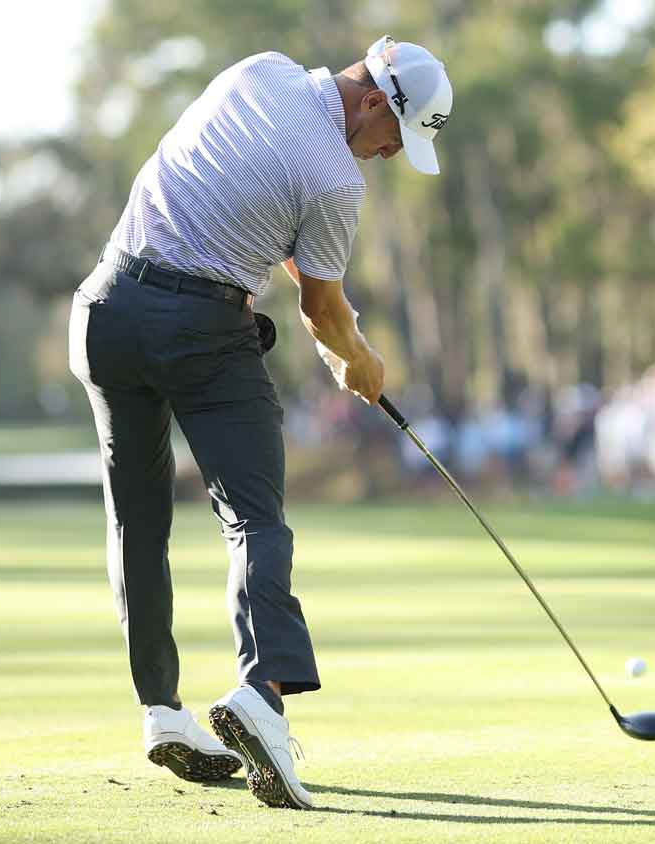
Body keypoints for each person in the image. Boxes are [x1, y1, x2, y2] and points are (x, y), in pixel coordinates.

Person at [67, 36, 452, 809]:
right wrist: (362, 361)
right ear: (375, 100)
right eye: (392, 140)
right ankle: (261, 698)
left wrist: (325, 319)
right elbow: (321, 307)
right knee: (254, 519)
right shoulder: (338, 181)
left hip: (103, 310)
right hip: (198, 331)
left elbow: (243, 193)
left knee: (137, 525)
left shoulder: (259, 71)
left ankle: (163, 712)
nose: (385, 156)